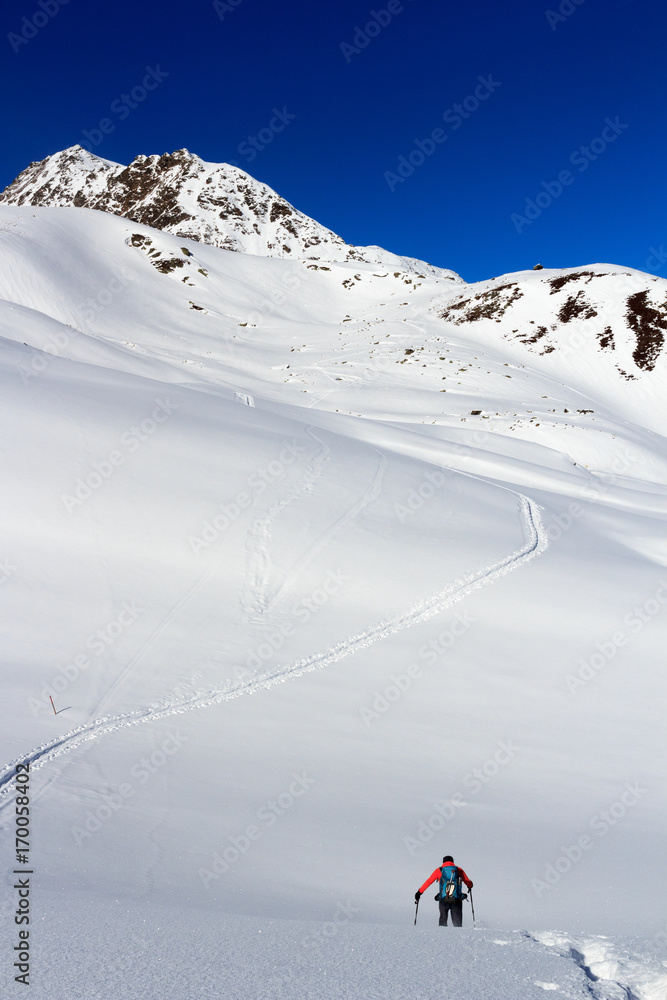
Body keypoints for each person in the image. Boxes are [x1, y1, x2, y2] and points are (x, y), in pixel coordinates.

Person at [415, 855, 473, 927]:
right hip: (457, 900)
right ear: (452, 862)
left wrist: (419, 892)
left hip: (443, 900)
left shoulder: (439, 870)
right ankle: (458, 937)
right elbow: (468, 882)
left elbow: (428, 882)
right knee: (457, 926)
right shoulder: (458, 870)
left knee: (443, 923)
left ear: (443, 862)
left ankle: (442, 937)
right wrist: (470, 885)